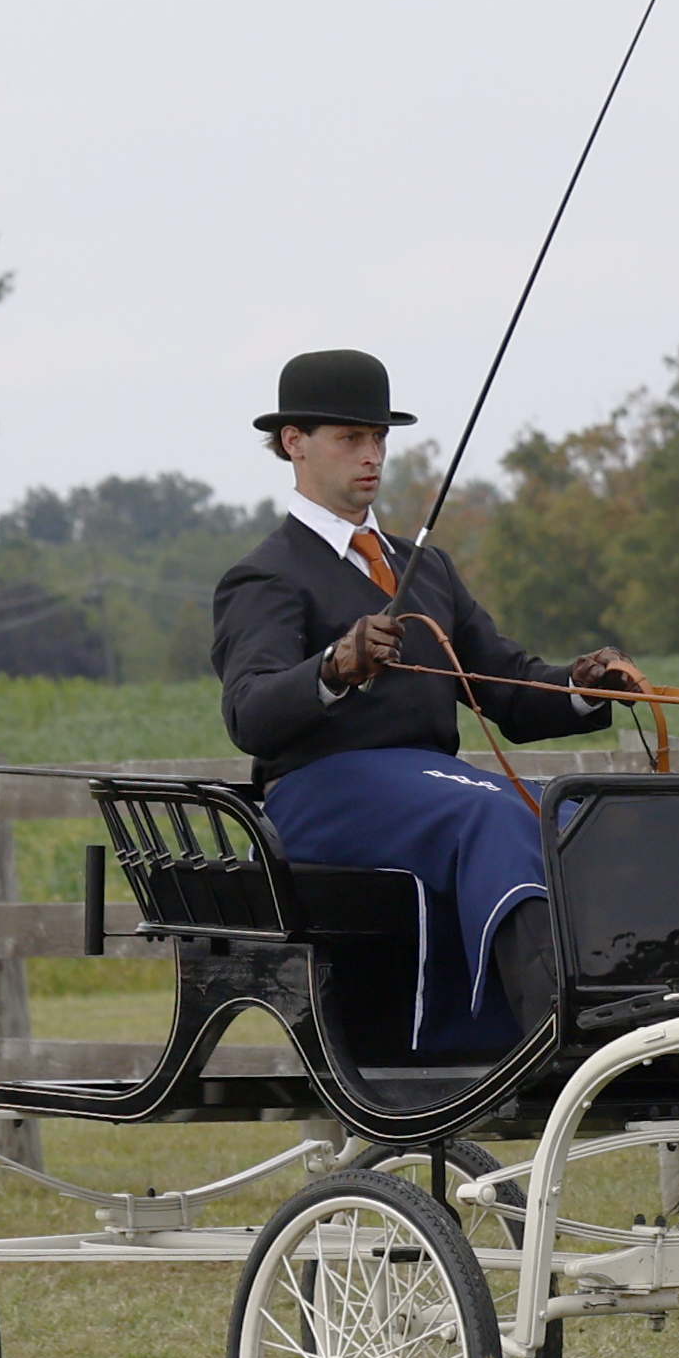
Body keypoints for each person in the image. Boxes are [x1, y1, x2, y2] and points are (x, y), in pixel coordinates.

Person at [210, 348, 645, 1050]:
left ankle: (635, 999)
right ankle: (554, 1023)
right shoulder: (266, 575)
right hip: (322, 792)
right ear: (294, 443)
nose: (371, 454)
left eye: (379, 437)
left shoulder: (425, 566)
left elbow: (504, 684)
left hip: (424, 785)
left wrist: (578, 686)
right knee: (486, 811)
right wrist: (334, 665)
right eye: (350, 437)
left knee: (568, 810)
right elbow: (248, 713)